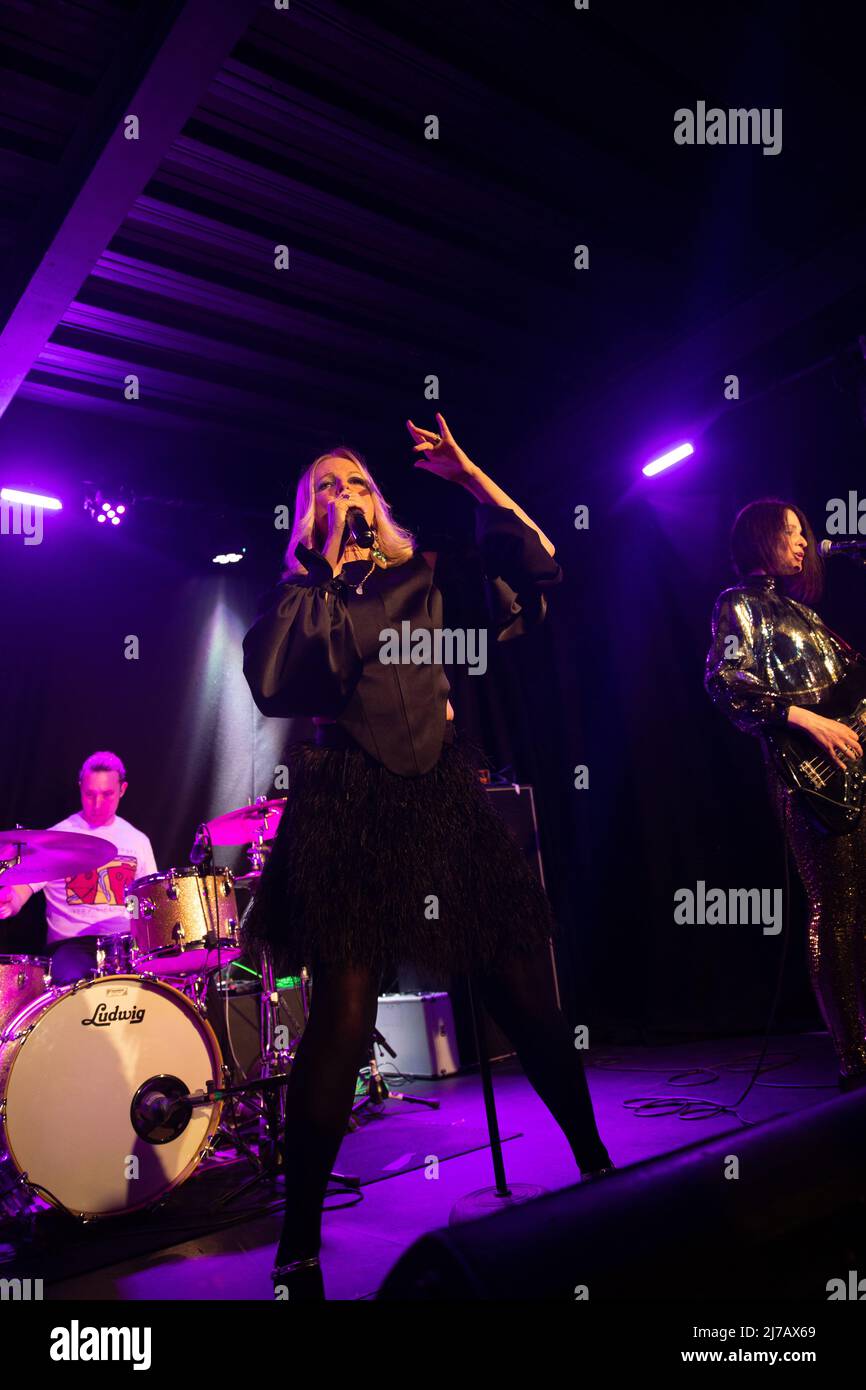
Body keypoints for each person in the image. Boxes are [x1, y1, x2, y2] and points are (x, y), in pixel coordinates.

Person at [241, 412, 614, 1300]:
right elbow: (274, 684)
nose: (346, 495)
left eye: (358, 482)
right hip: (348, 805)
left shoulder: (430, 571)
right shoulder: (303, 592)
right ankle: (297, 1249)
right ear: (307, 516)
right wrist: (327, 567)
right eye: (326, 488)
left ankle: (600, 1167)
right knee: (340, 1016)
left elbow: (540, 560)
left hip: (443, 797)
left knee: (526, 991)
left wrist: (472, 475)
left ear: (385, 500)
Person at [705, 498, 866, 1090]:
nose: (804, 542)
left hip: (852, 773)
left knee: (860, 912)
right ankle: (854, 1058)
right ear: (762, 538)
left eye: (804, 533)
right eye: (792, 533)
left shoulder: (804, 614)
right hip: (809, 781)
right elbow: (724, 684)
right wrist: (808, 720)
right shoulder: (738, 605)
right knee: (837, 911)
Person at [0, 750, 157, 984]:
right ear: (80, 787)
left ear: (122, 789)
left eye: (107, 794)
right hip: (70, 947)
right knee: (70, 979)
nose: (97, 803)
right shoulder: (56, 838)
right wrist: (8, 903)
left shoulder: (137, 841)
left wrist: (136, 929)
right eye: (90, 794)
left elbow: (143, 899)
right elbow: (22, 889)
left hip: (123, 946)